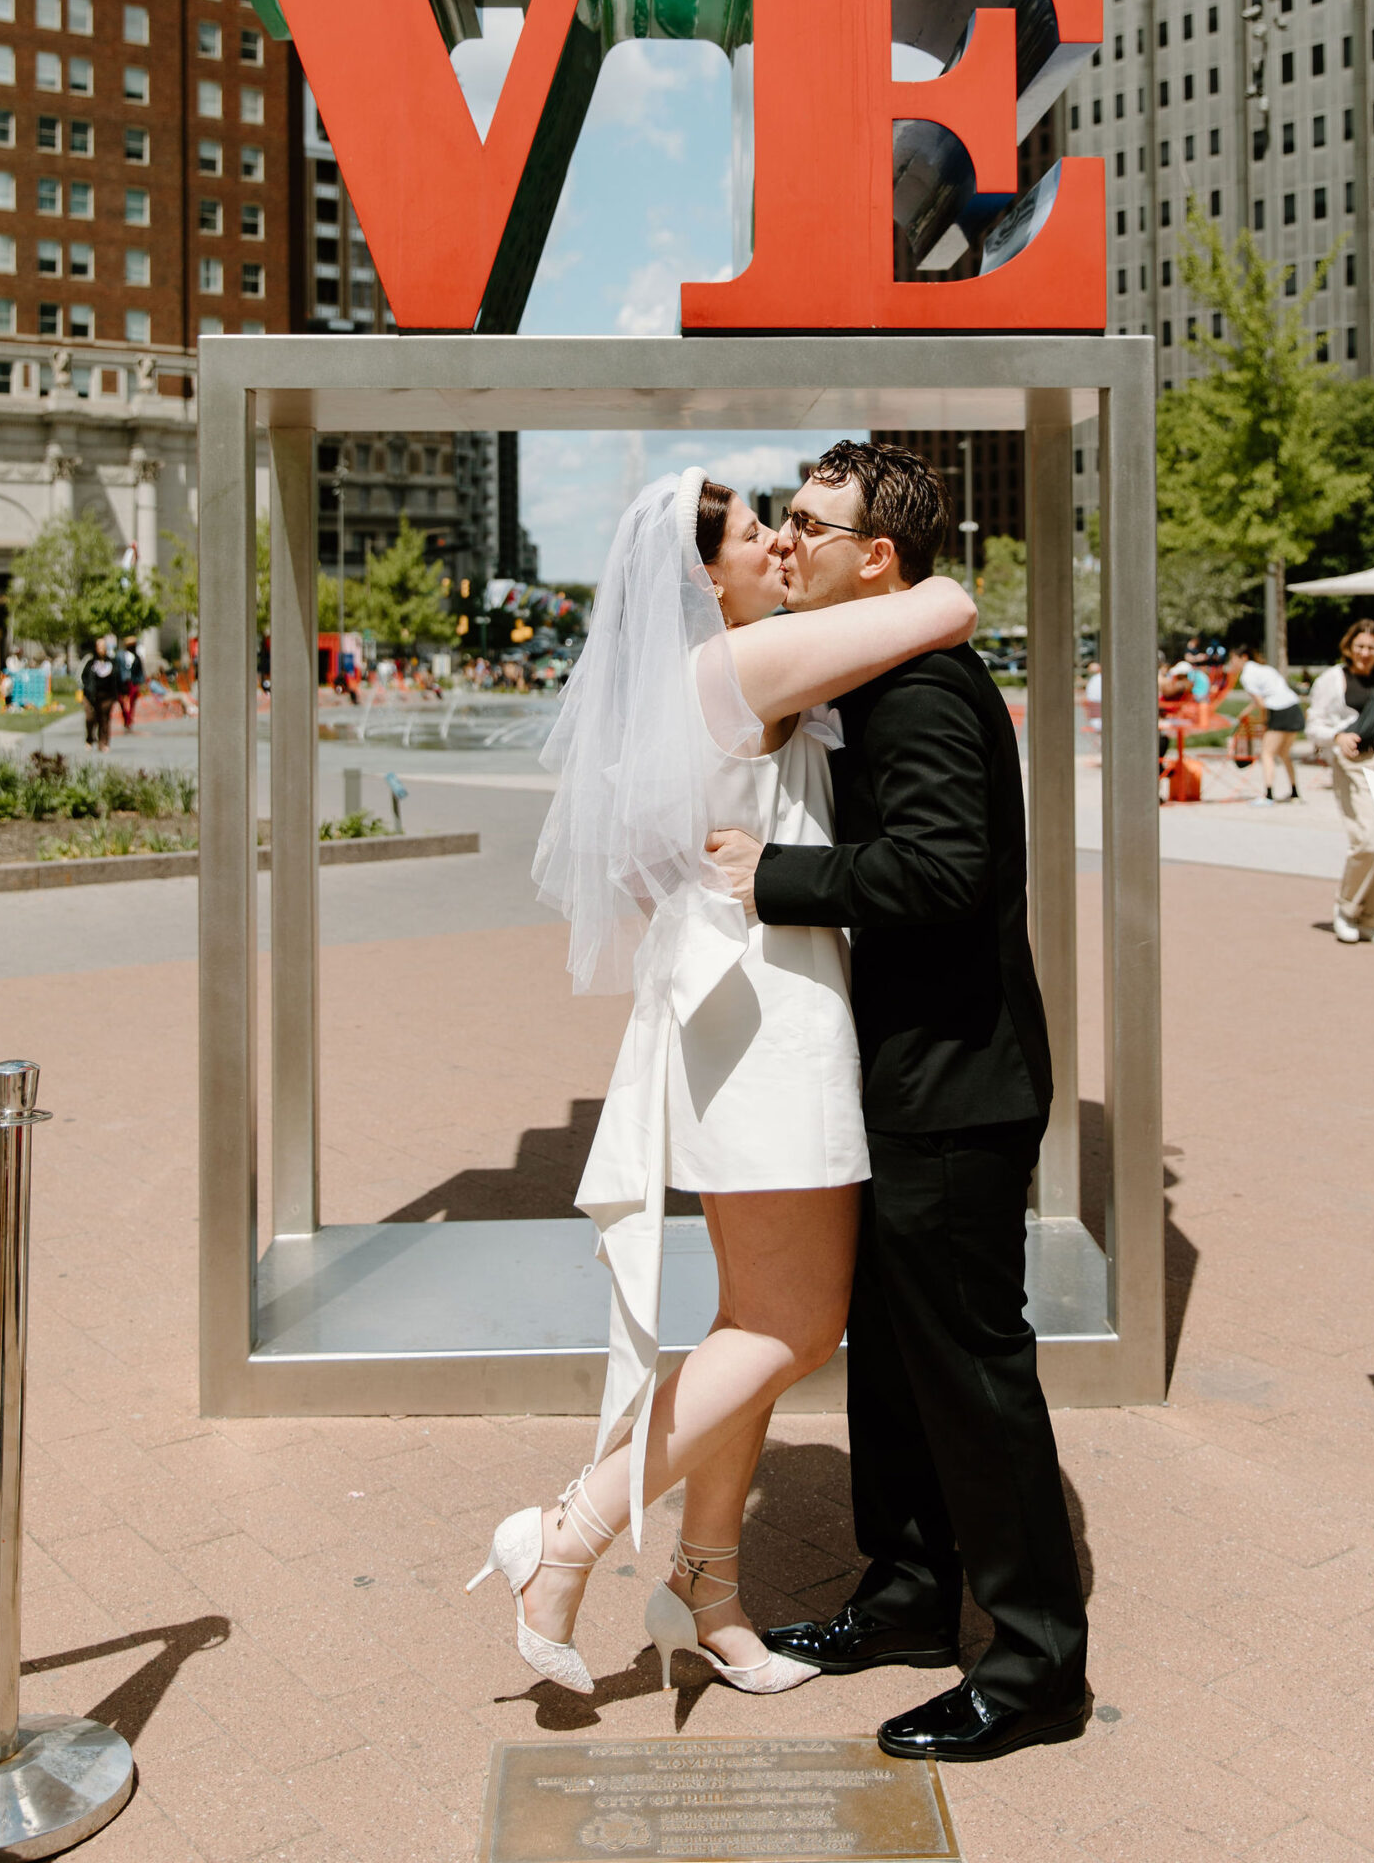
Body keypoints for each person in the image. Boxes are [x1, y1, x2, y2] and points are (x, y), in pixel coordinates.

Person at [468, 467, 979, 1702]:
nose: (783, 543)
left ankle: (711, 1582)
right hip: (771, 1025)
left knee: (753, 1316)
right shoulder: (733, 671)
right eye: (761, 532)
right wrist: (930, 572)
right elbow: (947, 606)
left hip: (748, 1010)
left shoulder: (726, 671)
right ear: (704, 575)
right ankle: (574, 1528)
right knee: (799, 1324)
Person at [706, 440, 1089, 1765]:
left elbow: (937, 872)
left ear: (879, 556)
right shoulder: (875, 675)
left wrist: (775, 881)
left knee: (973, 1377)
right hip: (906, 1076)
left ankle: (1036, 1666)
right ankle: (913, 1596)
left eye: (812, 526)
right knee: (900, 1361)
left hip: (953, 1086)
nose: (788, 543)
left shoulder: (921, 689)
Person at [1306, 618, 1374, 944]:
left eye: (1372, 648)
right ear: (1349, 647)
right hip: (1352, 763)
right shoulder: (1333, 679)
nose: (1365, 653)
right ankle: (1346, 908)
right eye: (1360, 646)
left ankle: (1373, 919)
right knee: (1367, 840)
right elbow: (1313, 726)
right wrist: (1337, 736)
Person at [1224, 640, 1304, 804]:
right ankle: (1295, 792)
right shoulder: (1265, 669)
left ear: (1243, 658)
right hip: (1294, 708)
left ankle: (1268, 795)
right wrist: (1247, 710)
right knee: (1284, 753)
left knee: (1267, 753)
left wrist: (1265, 721)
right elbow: (1268, 694)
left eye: (1233, 659)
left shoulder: (1247, 675)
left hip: (1279, 711)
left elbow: (1261, 703)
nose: (1231, 663)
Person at [80, 637, 120, 751]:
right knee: (90, 718)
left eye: (104, 647)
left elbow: (117, 678)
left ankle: (103, 743)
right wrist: (89, 689)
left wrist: (118, 693)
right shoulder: (90, 663)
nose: (102, 649)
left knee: (104, 719)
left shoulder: (112, 662)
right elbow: (84, 677)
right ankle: (89, 738)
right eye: (99, 647)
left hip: (107, 696)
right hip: (91, 696)